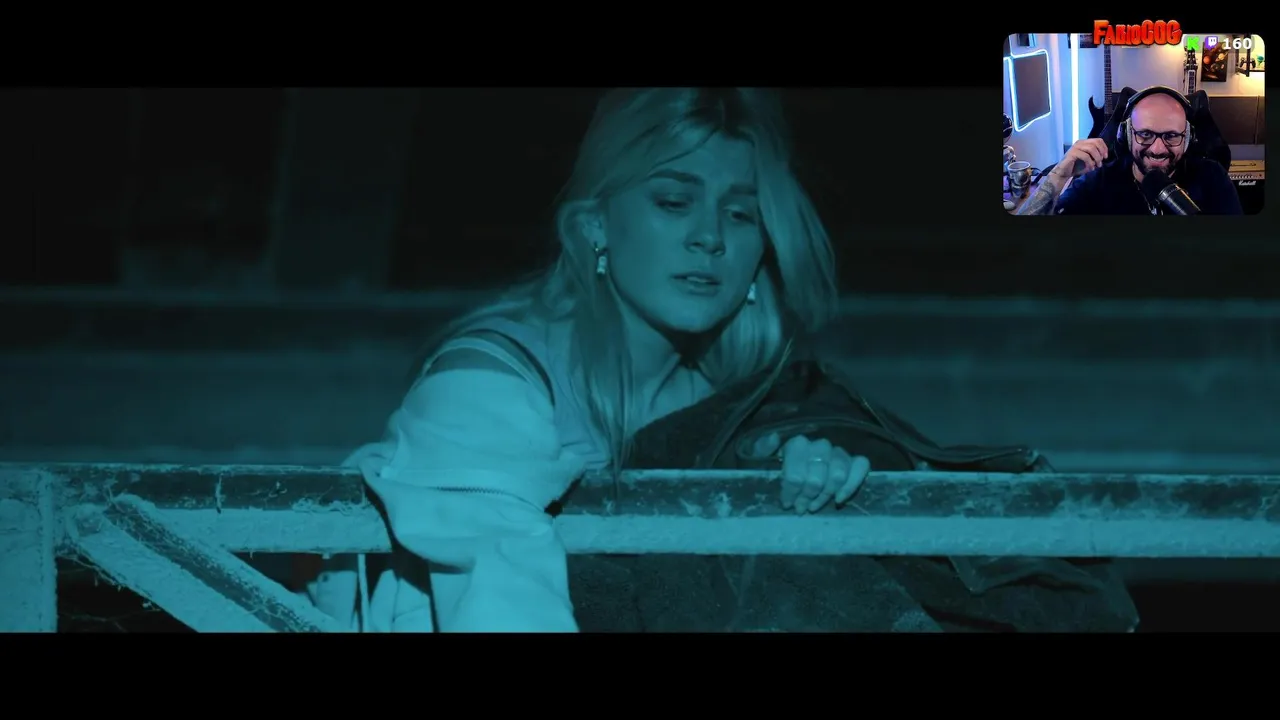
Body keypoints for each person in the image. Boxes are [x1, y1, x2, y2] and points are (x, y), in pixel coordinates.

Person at [299, 88, 873, 632]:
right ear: (596, 223)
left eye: (741, 214)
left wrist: (808, 477)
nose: (710, 236)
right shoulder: (486, 389)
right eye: (674, 202)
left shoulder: (746, 403)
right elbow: (502, 598)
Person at [1018, 85, 1242, 215]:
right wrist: (1059, 175)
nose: (1157, 149)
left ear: (1188, 138)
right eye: (1145, 134)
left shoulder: (1212, 178)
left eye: (1171, 136)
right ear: (1126, 135)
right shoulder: (1098, 183)